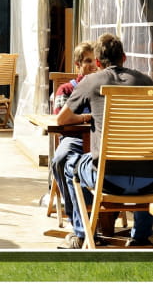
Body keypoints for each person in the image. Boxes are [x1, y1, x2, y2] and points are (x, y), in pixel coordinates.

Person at [55, 33, 153, 248]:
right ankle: (141, 236)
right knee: (142, 164)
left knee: (71, 165)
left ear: (98, 62)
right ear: (124, 57)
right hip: (149, 181)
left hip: (108, 179)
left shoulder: (92, 81)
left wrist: (86, 117)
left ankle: (82, 233)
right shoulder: (146, 82)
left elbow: (62, 118)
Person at [51, 41, 96, 219]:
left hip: (98, 139)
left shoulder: (102, 87)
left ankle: (101, 215)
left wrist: (78, 117)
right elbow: (61, 120)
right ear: (78, 64)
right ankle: (75, 216)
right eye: (87, 61)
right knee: (61, 159)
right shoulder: (67, 89)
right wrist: (87, 117)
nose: (93, 65)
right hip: (74, 138)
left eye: (95, 61)